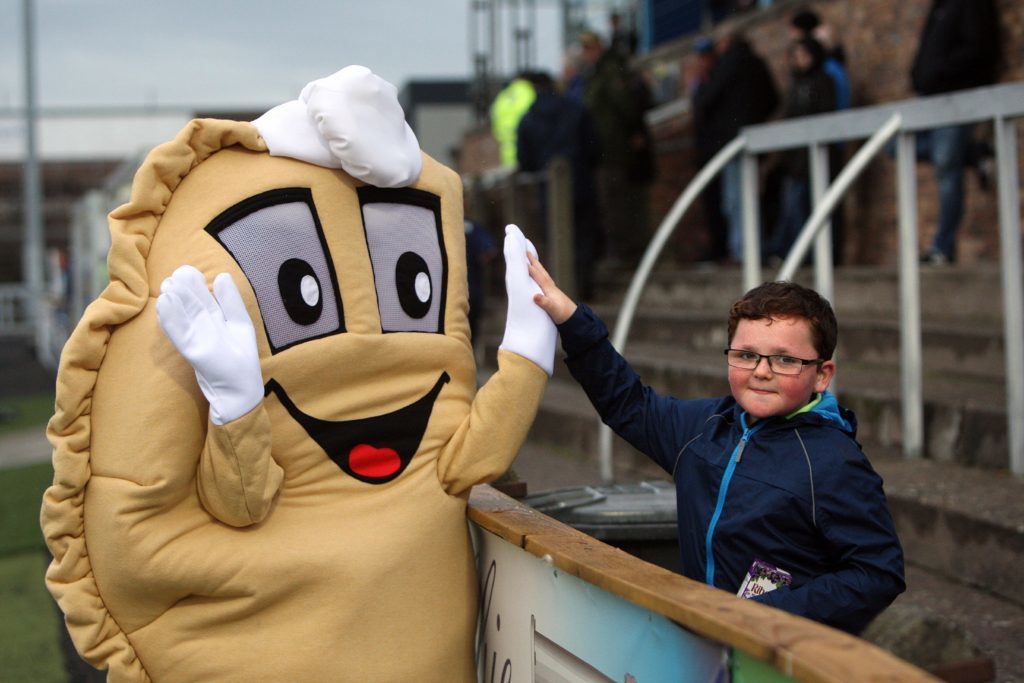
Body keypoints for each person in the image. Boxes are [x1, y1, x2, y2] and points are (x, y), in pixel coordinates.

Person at [527, 259, 906, 635]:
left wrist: (756, 616)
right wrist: (573, 321)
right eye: (746, 355)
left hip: (780, 656)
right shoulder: (704, 426)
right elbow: (629, 404)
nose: (761, 371)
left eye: (785, 359)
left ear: (822, 375)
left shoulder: (834, 462)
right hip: (705, 641)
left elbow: (877, 573)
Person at [910, 0, 1000, 265]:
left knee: (947, 167)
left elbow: (979, 48)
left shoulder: (971, 5)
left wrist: (939, 73)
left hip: (957, 98)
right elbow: (926, 49)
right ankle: (976, 153)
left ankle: (942, 248)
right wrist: (917, 75)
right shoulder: (939, 6)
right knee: (895, 146)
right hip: (931, 99)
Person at [692, 31, 778, 264]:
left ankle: (743, 251)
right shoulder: (757, 64)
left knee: (736, 199)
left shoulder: (728, 65)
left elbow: (707, 100)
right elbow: (773, 98)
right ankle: (752, 249)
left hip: (733, 141)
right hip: (752, 138)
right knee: (749, 196)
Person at [516, 71, 601, 300]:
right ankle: (585, 287)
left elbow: (525, 162)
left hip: (549, 191)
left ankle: (565, 290)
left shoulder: (528, 118)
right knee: (583, 237)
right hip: (581, 183)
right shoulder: (576, 109)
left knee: (557, 238)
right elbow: (594, 148)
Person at [578, 30, 656, 264]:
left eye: (588, 48)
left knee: (617, 204)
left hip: (614, 150)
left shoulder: (610, 69)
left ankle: (626, 254)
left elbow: (625, 106)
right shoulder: (599, 71)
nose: (586, 54)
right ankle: (622, 253)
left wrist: (632, 133)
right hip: (606, 150)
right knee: (613, 204)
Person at [768, 37, 837, 261]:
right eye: (796, 55)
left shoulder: (822, 81)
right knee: (793, 206)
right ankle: (790, 252)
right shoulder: (795, 84)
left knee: (806, 207)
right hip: (795, 160)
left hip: (815, 159)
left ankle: (802, 255)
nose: (799, 60)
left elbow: (826, 117)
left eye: (803, 54)